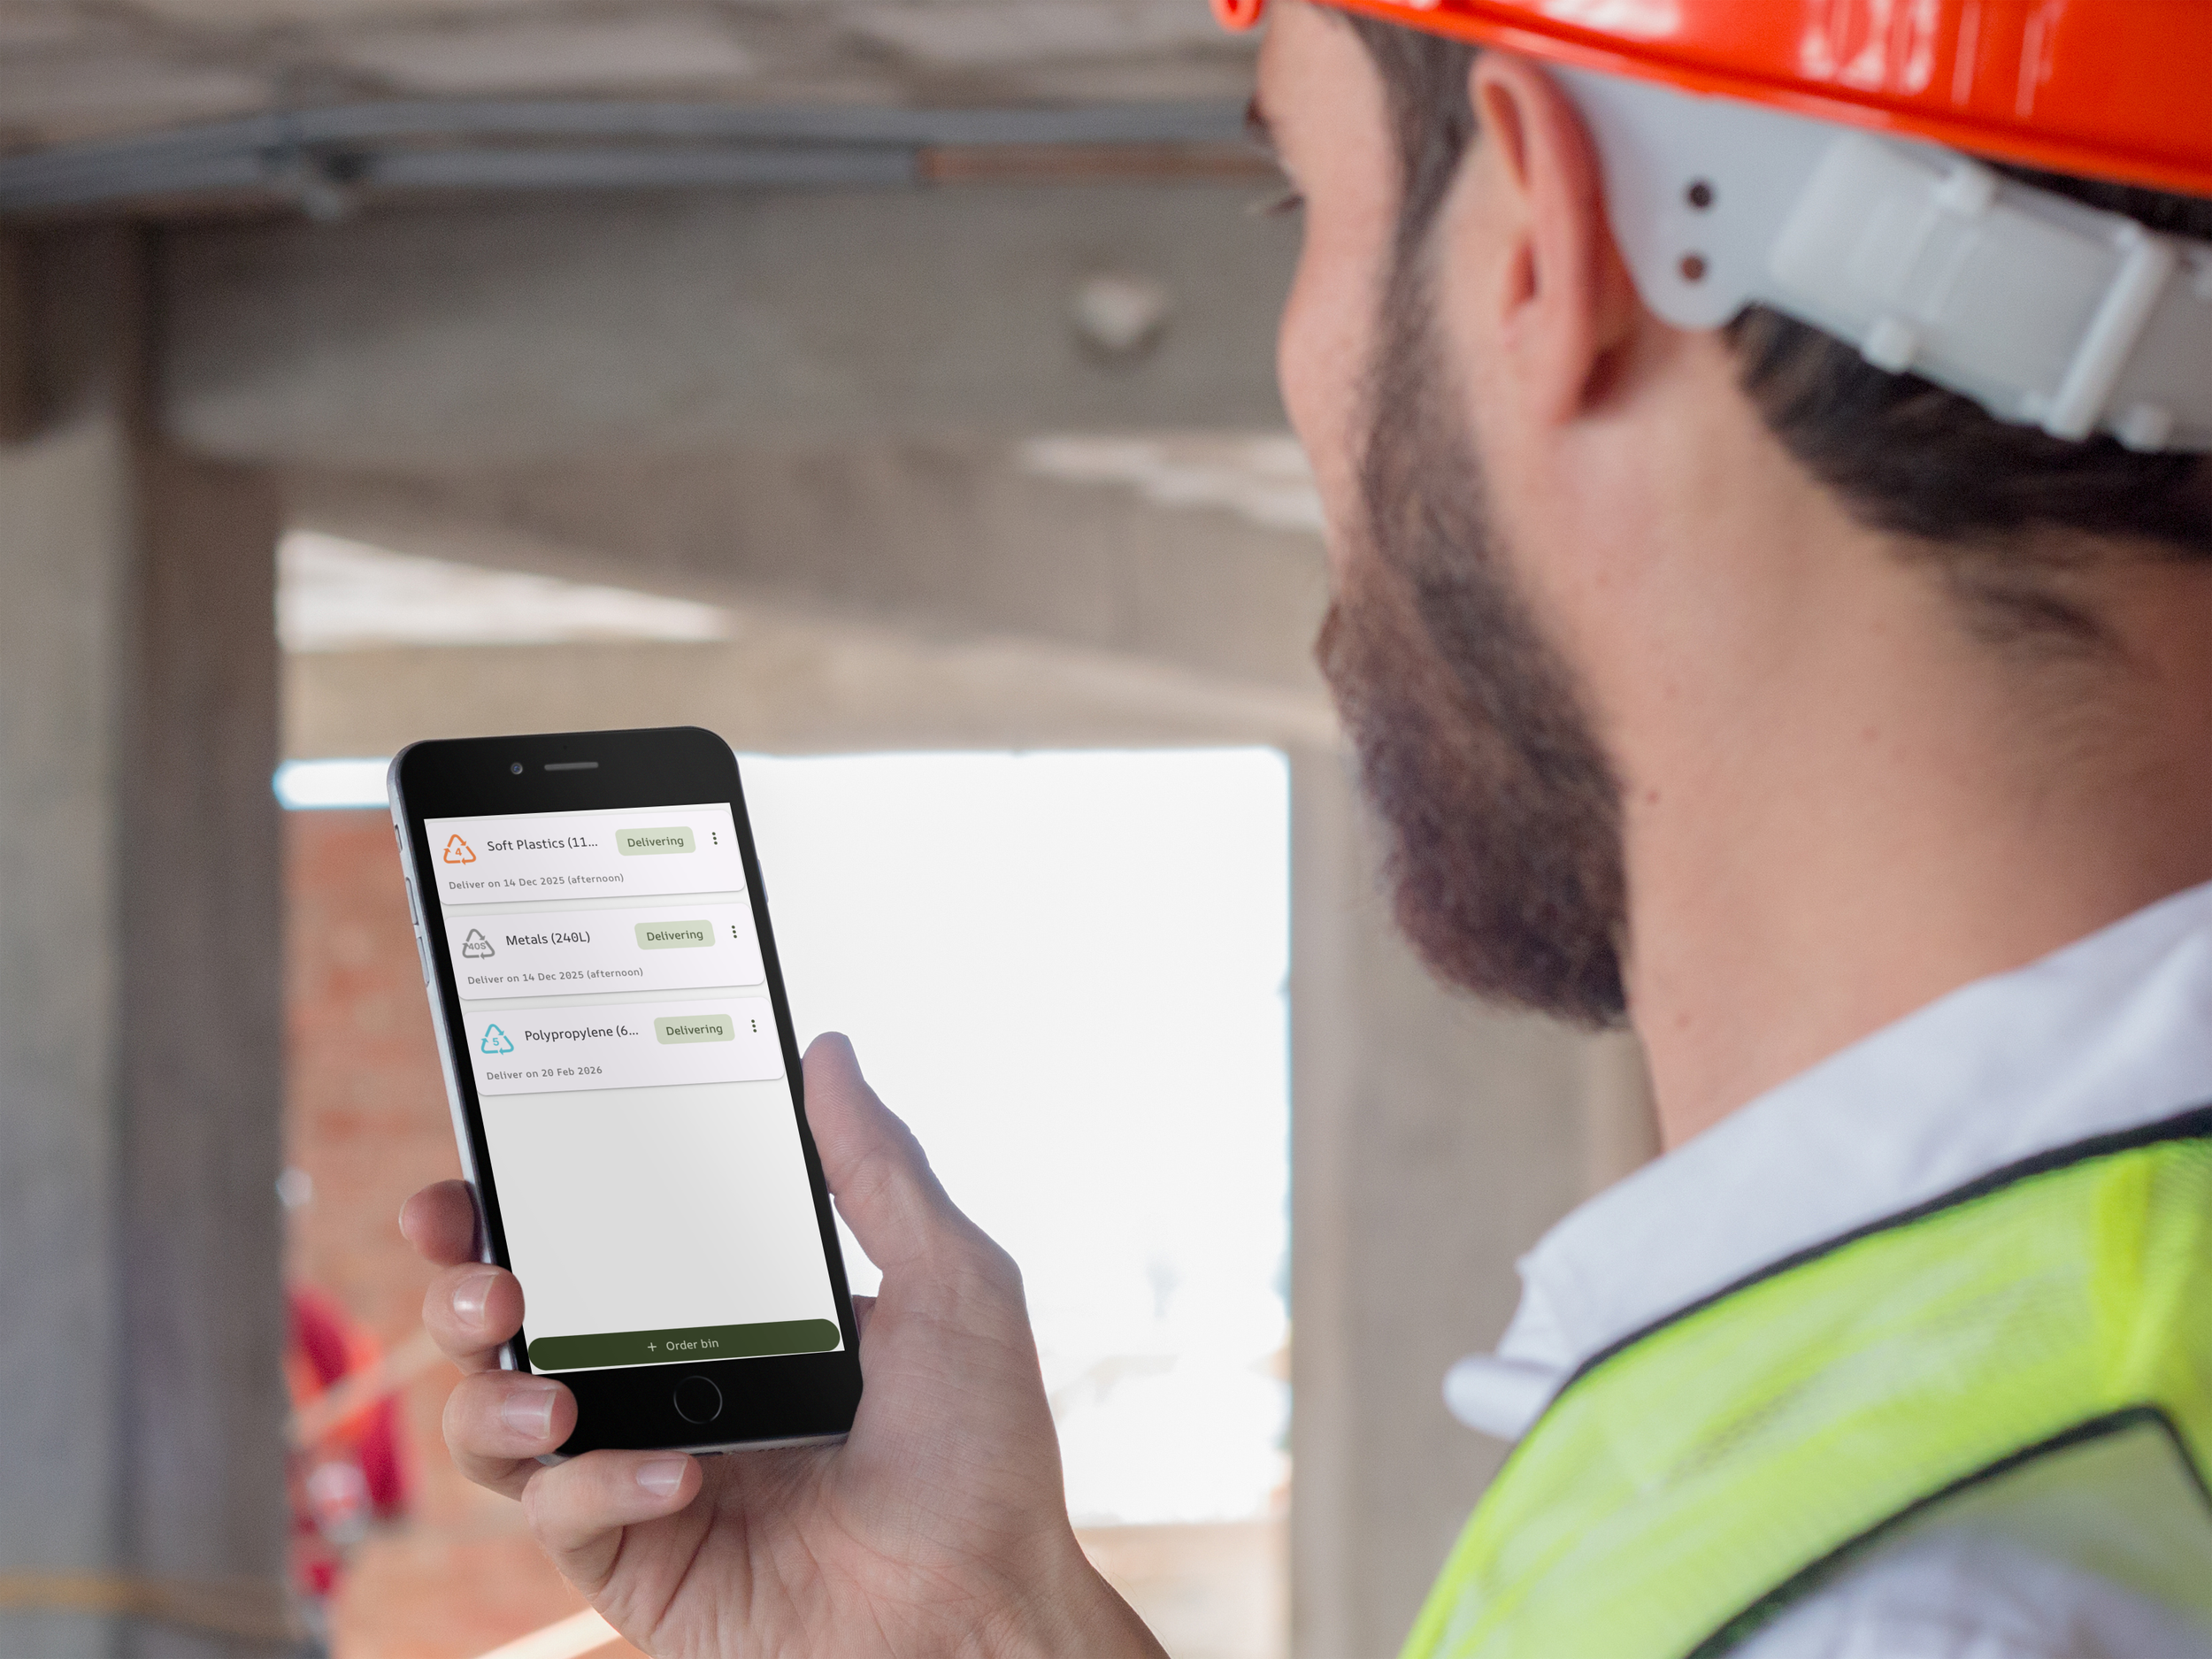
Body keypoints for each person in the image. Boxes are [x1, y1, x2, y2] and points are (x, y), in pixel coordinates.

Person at [402, 1, 2212, 1653]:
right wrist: (977, 1629)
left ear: (1536, 243)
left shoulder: (1920, 1588)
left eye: (1297, 202)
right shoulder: (2018, 1418)